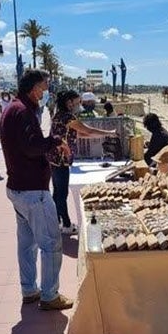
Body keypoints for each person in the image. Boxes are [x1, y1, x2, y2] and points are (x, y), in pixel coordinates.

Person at [0, 69, 73, 311]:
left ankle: (29, 289)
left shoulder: (14, 108)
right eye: (44, 87)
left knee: (27, 244)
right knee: (51, 243)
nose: (45, 91)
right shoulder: (22, 111)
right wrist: (55, 141)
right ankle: (50, 295)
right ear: (33, 88)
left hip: (19, 189)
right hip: (32, 192)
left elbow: (26, 144)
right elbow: (31, 147)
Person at [48, 90, 116, 235]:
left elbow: (79, 133)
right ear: (69, 102)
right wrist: (108, 133)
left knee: (57, 192)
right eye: (77, 102)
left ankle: (56, 221)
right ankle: (66, 224)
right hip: (61, 159)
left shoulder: (58, 116)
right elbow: (88, 131)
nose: (79, 105)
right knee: (62, 194)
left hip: (53, 158)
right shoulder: (68, 117)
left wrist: (96, 136)